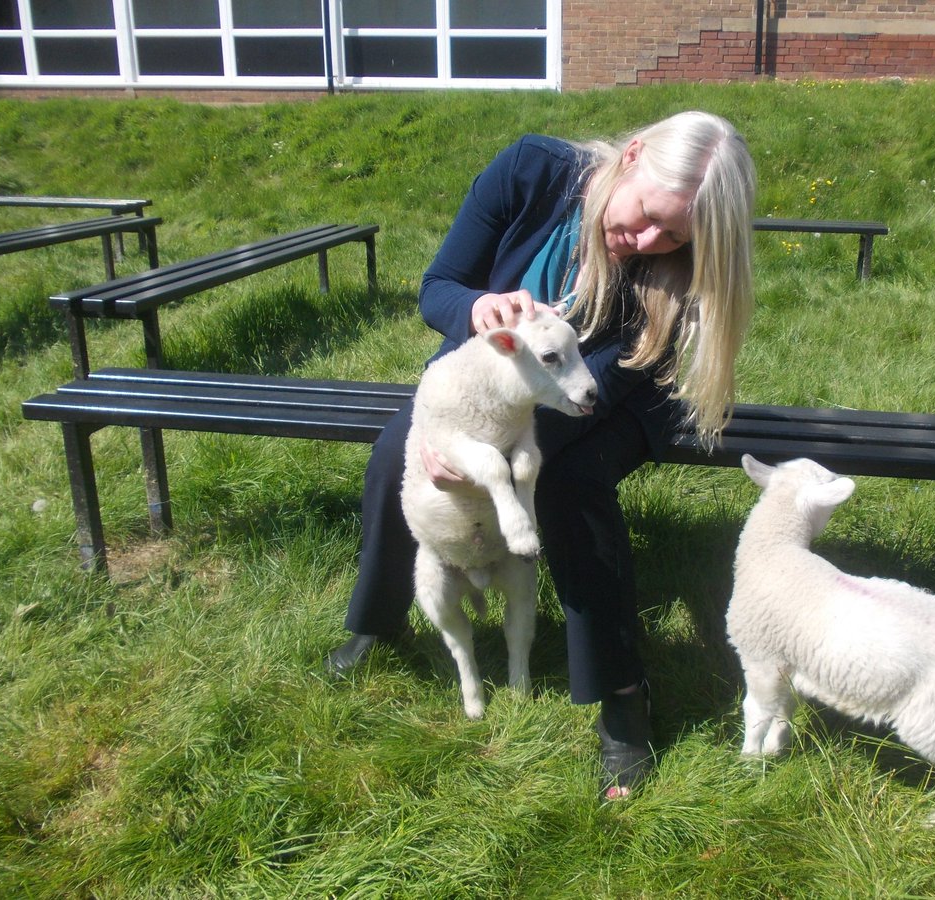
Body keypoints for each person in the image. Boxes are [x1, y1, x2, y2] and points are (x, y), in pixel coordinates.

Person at [323, 111, 757, 799]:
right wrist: (477, 310)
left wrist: (499, 455)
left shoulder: (663, 266)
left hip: (621, 388)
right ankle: (378, 620)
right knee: (396, 451)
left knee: (567, 480)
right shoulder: (530, 172)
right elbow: (438, 286)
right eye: (648, 216)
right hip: (498, 381)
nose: (647, 242)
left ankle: (623, 693)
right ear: (632, 156)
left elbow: (610, 378)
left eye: (674, 236)